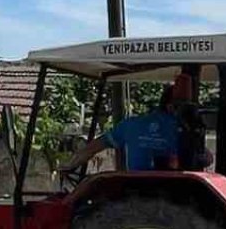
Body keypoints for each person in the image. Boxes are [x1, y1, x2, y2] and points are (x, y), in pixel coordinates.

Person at [60, 75, 199, 174]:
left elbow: (92, 148)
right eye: (187, 108)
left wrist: (70, 165)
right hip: (171, 189)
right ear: (171, 107)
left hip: (134, 188)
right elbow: (206, 158)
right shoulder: (183, 130)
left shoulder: (131, 124)